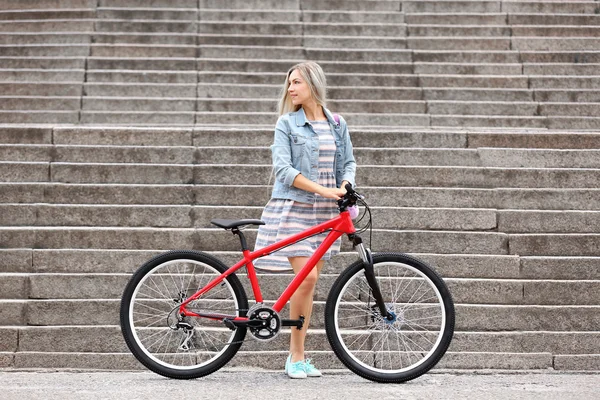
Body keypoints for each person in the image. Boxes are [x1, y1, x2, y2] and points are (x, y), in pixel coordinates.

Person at [253, 61, 357, 379]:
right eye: (289, 83)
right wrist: (324, 191)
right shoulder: (287, 123)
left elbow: (348, 162)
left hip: (326, 213)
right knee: (307, 278)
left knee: (309, 287)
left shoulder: (337, 123)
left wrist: (344, 186)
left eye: (296, 82)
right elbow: (284, 170)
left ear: (312, 83)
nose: (290, 88)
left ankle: (298, 356)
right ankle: (295, 356)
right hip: (294, 207)